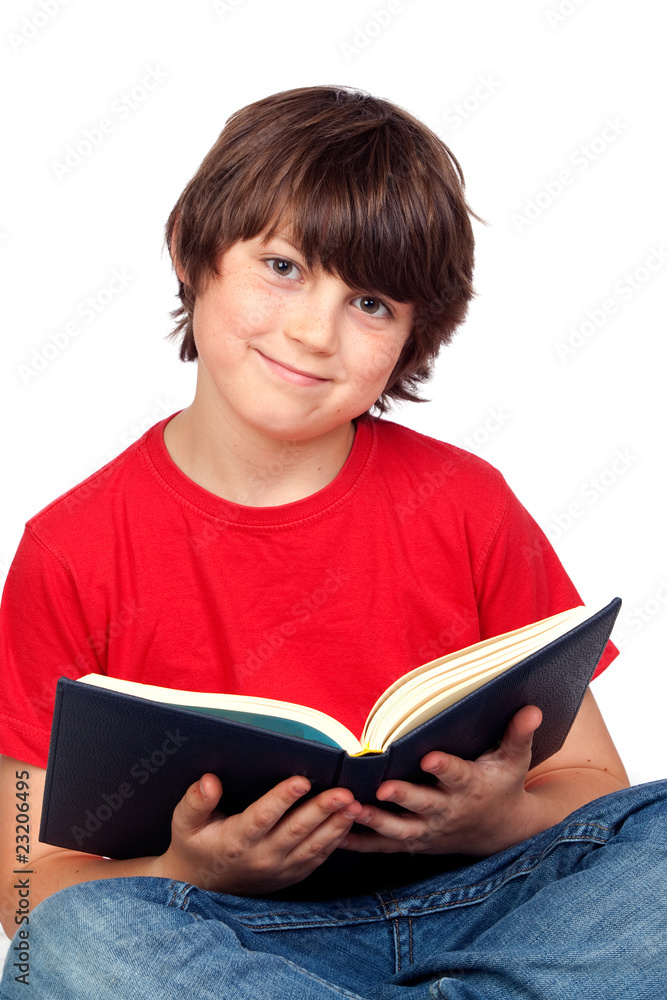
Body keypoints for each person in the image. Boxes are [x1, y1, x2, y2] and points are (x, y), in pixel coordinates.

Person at [0, 85, 665, 999]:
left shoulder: (464, 501)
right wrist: (196, 872)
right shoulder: (69, 547)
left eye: (370, 302)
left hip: (481, 914)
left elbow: (599, 791)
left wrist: (495, 817)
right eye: (282, 266)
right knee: (75, 944)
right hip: (219, 939)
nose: (314, 333)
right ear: (193, 252)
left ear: (413, 336)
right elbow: (27, 891)